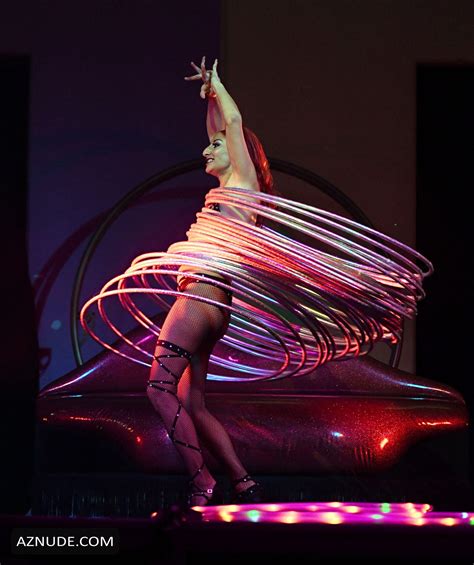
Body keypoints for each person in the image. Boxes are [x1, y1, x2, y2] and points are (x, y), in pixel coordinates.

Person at [146, 56, 276, 508]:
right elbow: (218, 128)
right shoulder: (227, 191)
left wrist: (220, 88)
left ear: (238, 155)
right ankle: (243, 482)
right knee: (193, 403)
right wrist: (208, 98)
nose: (207, 150)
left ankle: (201, 482)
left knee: (158, 388)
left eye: (217, 147)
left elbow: (233, 123)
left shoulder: (244, 183)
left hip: (201, 294)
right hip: (213, 303)